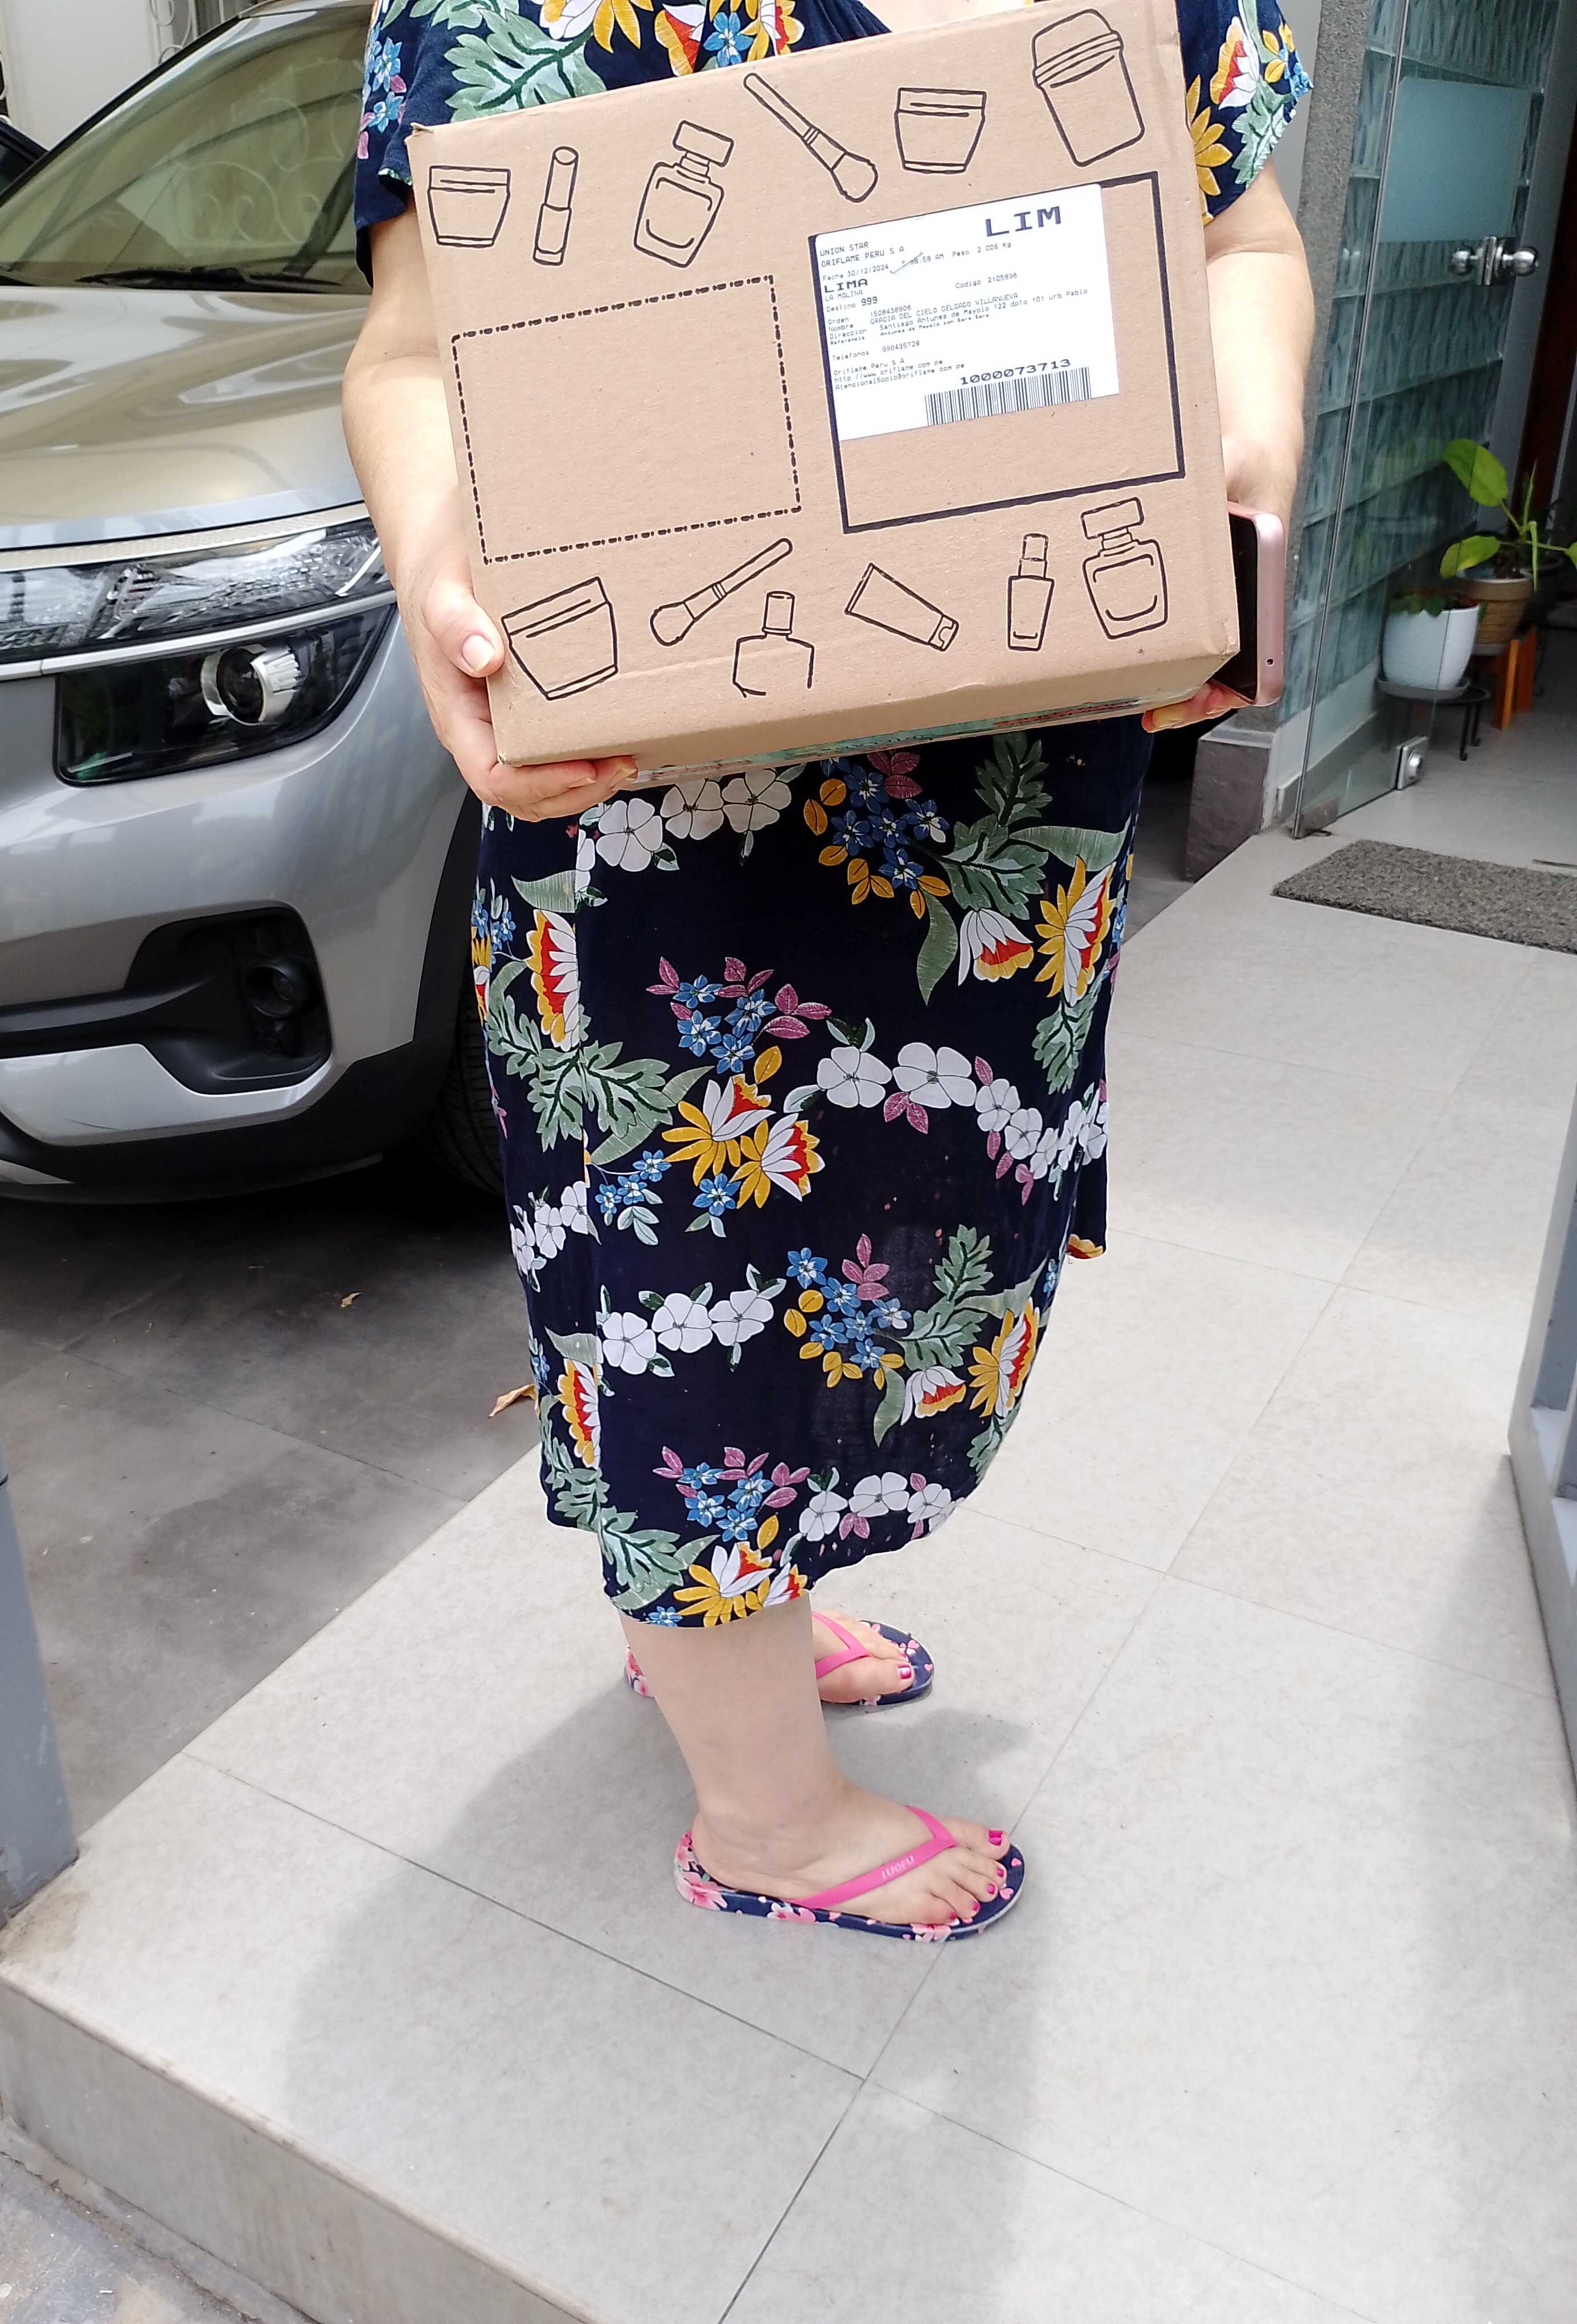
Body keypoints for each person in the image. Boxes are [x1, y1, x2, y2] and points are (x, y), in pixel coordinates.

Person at [344, 0, 1314, 1939]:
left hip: (996, 818)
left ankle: (733, 1603)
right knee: (691, 1305)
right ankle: (760, 1808)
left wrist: (1240, 444)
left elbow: (1243, 237)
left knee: (881, 1269)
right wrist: (444, 568)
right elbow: (419, 346)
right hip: (664, 849)